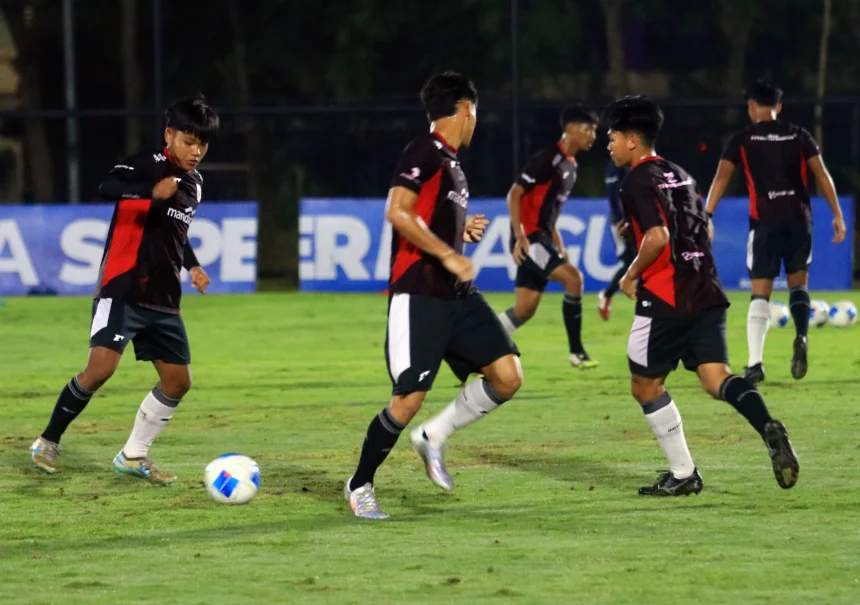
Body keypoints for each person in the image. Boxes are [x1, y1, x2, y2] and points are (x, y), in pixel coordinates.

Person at [343, 71, 522, 519]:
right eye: (476, 114)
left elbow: (426, 216)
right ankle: (360, 483)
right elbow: (398, 212)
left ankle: (433, 436)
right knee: (408, 399)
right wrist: (451, 254)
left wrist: (462, 231)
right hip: (419, 292)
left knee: (507, 375)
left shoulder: (452, 162)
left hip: (457, 295)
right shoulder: (424, 150)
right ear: (466, 109)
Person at [606, 95, 799, 496]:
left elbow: (658, 237)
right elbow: (701, 231)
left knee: (645, 385)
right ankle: (767, 425)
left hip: (666, 295)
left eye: (612, 137)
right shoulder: (679, 174)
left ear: (631, 141)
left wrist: (630, 274)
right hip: (706, 288)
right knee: (716, 378)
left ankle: (683, 474)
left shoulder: (636, 180)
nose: (608, 145)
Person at [30, 95, 219, 485]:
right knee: (100, 370)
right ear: (170, 135)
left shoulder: (195, 184)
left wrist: (194, 264)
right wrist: (150, 192)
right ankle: (47, 441)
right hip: (124, 287)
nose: (196, 150)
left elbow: (176, 232)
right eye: (188, 140)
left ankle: (133, 456)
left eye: (202, 143)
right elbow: (107, 186)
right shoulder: (147, 165)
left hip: (164, 298)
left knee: (178, 382)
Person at [705, 78, 846, 384]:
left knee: (760, 293)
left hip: (765, 222)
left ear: (751, 107)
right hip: (799, 220)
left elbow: (721, 178)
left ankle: (755, 364)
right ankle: (801, 336)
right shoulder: (799, 135)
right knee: (798, 286)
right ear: (778, 108)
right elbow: (821, 174)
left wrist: (707, 214)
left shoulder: (742, 139)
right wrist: (837, 214)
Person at [496, 105, 599, 368]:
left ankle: (480, 341)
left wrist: (559, 244)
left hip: (541, 238)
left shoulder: (571, 167)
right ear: (571, 129)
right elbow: (514, 195)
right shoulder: (547, 160)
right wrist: (520, 238)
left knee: (525, 308)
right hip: (530, 241)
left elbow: (548, 213)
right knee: (573, 279)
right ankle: (576, 353)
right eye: (588, 130)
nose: (592, 136)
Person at [597, 159, 635, 320]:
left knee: (641, 260)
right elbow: (613, 196)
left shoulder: (634, 162)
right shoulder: (615, 165)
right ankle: (606, 294)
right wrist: (622, 219)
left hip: (636, 219)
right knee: (630, 261)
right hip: (622, 221)